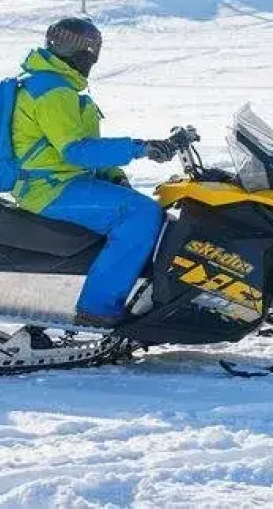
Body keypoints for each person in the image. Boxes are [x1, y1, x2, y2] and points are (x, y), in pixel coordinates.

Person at [11, 17, 184, 327]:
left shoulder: (58, 86)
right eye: (92, 52)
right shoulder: (52, 91)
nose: (92, 59)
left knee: (138, 205)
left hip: (61, 181)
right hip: (49, 187)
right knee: (141, 214)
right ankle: (98, 308)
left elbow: (89, 147)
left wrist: (115, 177)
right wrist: (140, 148)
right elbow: (76, 151)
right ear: (81, 52)